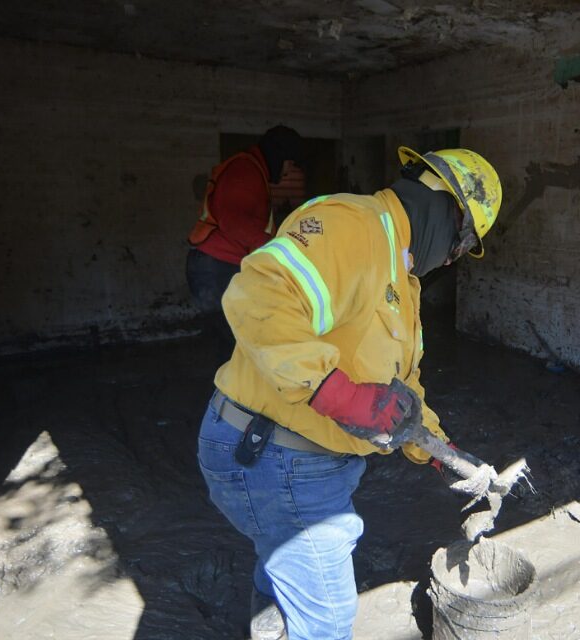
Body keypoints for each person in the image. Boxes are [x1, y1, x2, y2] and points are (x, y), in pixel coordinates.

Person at [196, 147, 501, 639]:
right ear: (449, 211)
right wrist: (339, 395)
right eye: (461, 246)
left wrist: (439, 452)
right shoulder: (351, 225)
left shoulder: (403, 280)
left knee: (283, 579)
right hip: (277, 456)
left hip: (287, 459)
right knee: (326, 624)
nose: (451, 259)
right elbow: (259, 296)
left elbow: (402, 389)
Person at [186, 125, 305, 359]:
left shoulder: (251, 170)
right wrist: (277, 251)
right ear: (279, 155)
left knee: (233, 342)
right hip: (215, 269)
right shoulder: (245, 171)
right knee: (238, 342)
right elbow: (234, 221)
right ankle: (237, 391)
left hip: (215, 266)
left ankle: (232, 388)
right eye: (290, 163)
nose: (289, 171)